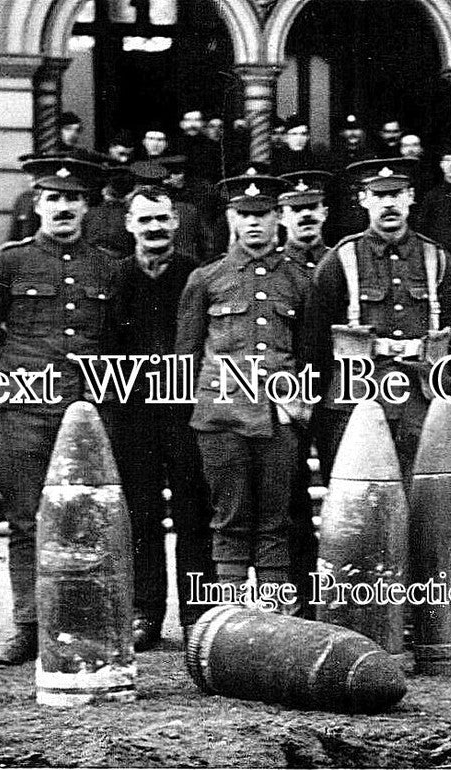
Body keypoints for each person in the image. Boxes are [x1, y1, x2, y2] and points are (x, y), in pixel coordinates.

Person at [0, 155, 124, 665]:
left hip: (89, 407)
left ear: (87, 206)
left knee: (87, 517)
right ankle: (28, 624)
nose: (63, 207)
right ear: (37, 205)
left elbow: (117, 339)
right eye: (53, 198)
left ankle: (79, 619)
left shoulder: (106, 265)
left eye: (72, 198)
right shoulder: (8, 261)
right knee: (26, 517)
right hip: (23, 408)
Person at [175, 173, 315, 603]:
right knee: (229, 517)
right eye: (244, 214)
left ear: (278, 218)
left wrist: (300, 411)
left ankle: (274, 611)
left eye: (263, 214)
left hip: (279, 417)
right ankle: (231, 613)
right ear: (231, 218)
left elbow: (309, 354)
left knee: (276, 518)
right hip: (221, 417)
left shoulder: (297, 280)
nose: (254, 223)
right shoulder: (207, 278)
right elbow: (185, 353)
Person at [312, 157, 451, 483]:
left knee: (421, 497)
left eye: (397, 194)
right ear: (363, 200)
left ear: (411, 197)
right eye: (378, 195)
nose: (388, 203)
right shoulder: (340, 259)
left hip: (420, 399)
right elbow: (316, 337)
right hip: (357, 397)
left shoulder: (437, 258)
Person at [114, 184, 215, 647]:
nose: (154, 228)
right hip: (133, 413)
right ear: (130, 225)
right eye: (145, 220)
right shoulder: (115, 278)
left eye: (162, 219)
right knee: (141, 513)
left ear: (175, 222)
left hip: (187, 412)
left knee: (195, 511)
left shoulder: (199, 275)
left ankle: (199, 612)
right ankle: (145, 613)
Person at [277, 171, 332, 616]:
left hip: (336, 398)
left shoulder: (341, 263)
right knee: (292, 500)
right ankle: (304, 595)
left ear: (324, 213)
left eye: (312, 208)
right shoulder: (274, 269)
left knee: (344, 496)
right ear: (282, 217)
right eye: (296, 210)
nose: (305, 216)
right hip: (287, 400)